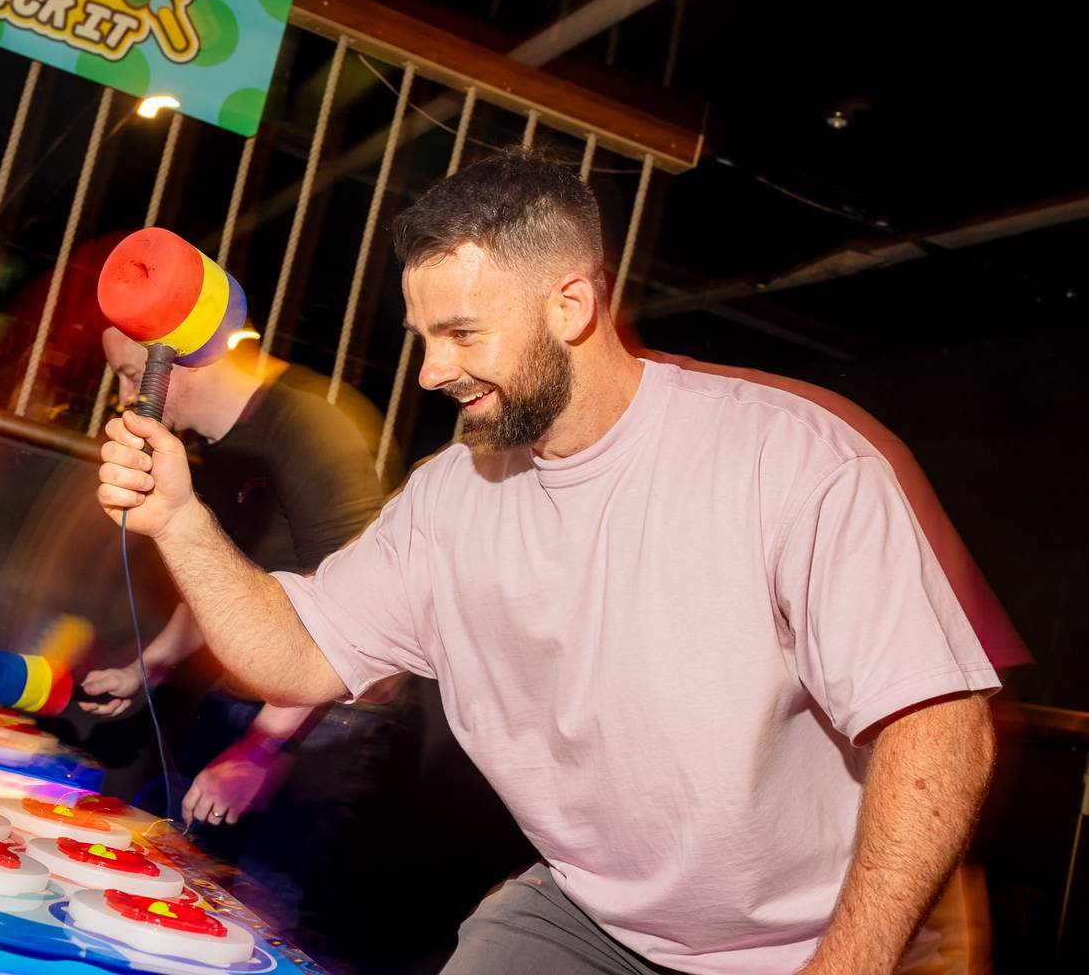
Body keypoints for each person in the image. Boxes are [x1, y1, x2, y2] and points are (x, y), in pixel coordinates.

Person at [95, 149, 999, 975]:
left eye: (459, 334)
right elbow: (292, 654)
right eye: (422, 337)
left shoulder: (789, 462)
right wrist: (178, 519)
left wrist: (848, 965)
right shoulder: (450, 499)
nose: (428, 372)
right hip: (605, 921)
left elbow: (941, 729)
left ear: (570, 306)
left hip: (835, 931)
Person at [81, 327, 417, 961]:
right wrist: (148, 666)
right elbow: (222, 577)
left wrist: (261, 749)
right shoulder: (214, 443)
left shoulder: (313, 429)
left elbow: (357, 619)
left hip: (326, 725)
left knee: (260, 933)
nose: (128, 397)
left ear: (176, 362)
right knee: (179, 905)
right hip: (252, 707)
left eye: (131, 374)